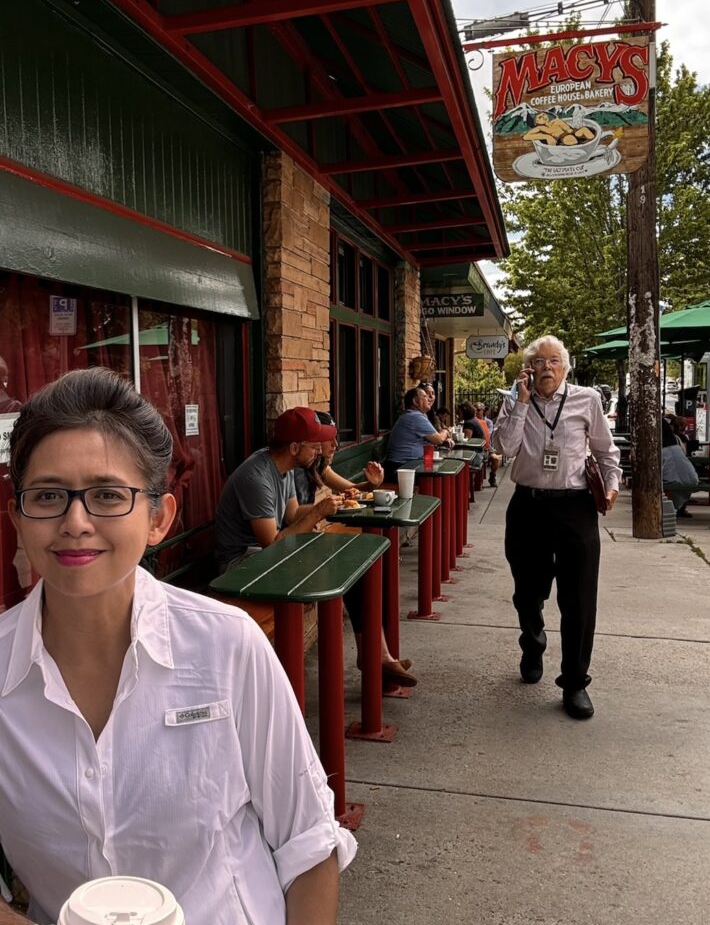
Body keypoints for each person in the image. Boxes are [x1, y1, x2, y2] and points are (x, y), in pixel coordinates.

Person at [0, 368, 355, 925]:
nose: (75, 522)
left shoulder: (225, 646)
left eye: (107, 495)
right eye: (47, 495)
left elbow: (308, 843)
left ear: (159, 519)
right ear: (18, 518)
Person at [492, 335, 620, 721]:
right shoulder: (516, 399)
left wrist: (612, 486)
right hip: (528, 506)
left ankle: (575, 681)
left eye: (553, 361)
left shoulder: (587, 400)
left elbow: (605, 450)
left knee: (579, 599)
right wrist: (521, 403)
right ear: (527, 368)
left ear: (565, 367)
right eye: (538, 361)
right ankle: (532, 643)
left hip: (575, 507)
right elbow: (504, 447)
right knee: (527, 594)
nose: (546, 367)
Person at [293, 413, 416, 691]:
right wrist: (322, 509)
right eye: (328, 440)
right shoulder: (298, 469)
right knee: (359, 570)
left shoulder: (317, 466)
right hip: (293, 547)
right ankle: (378, 657)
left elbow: (351, 492)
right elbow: (291, 518)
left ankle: (379, 656)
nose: (335, 444)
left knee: (372, 564)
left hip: (305, 541)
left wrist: (370, 484)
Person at [214, 406, 344, 572]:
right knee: (314, 566)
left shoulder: (284, 465)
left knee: (326, 556)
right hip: (238, 561)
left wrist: (330, 508)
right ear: (294, 448)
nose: (318, 452)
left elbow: (293, 514)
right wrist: (317, 513)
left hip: (260, 553)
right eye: (314, 447)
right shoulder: (257, 479)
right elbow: (273, 545)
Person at [383, 386, 451, 482]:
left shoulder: (414, 415)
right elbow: (439, 439)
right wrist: (446, 431)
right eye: (424, 396)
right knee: (441, 478)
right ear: (415, 401)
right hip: (401, 468)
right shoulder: (415, 416)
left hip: (406, 465)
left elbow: (432, 439)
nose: (428, 399)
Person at [662, 416, 699, 518]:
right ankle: (679, 508)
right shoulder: (676, 441)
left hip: (674, 481)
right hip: (691, 480)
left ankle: (674, 508)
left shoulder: (662, 449)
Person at [475, 402, 501, 487]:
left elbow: (487, 435)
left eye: (478, 410)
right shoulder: (473, 421)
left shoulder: (488, 422)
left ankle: (492, 477)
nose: (476, 412)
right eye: (474, 410)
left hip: (487, 446)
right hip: (476, 446)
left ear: (483, 411)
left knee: (496, 459)